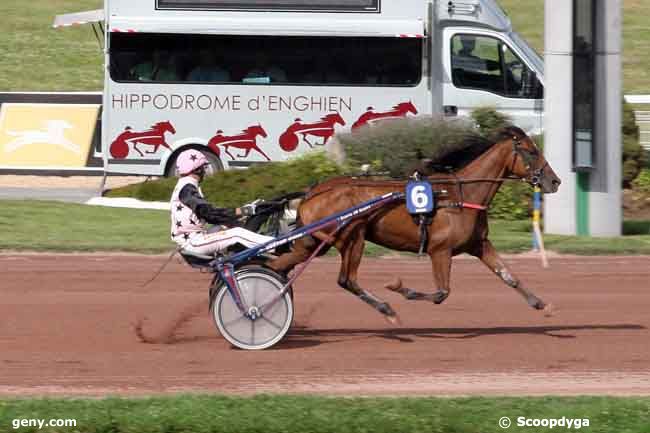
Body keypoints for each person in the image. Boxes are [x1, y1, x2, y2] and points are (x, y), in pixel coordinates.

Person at [170, 149, 274, 256]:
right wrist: (244, 210)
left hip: (195, 238)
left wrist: (238, 214)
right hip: (193, 242)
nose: (205, 171)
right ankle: (276, 244)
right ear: (197, 169)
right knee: (237, 234)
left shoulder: (186, 185)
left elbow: (211, 214)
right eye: (204, 168)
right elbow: (210, 214)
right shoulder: (187, 188)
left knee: (232, 225)